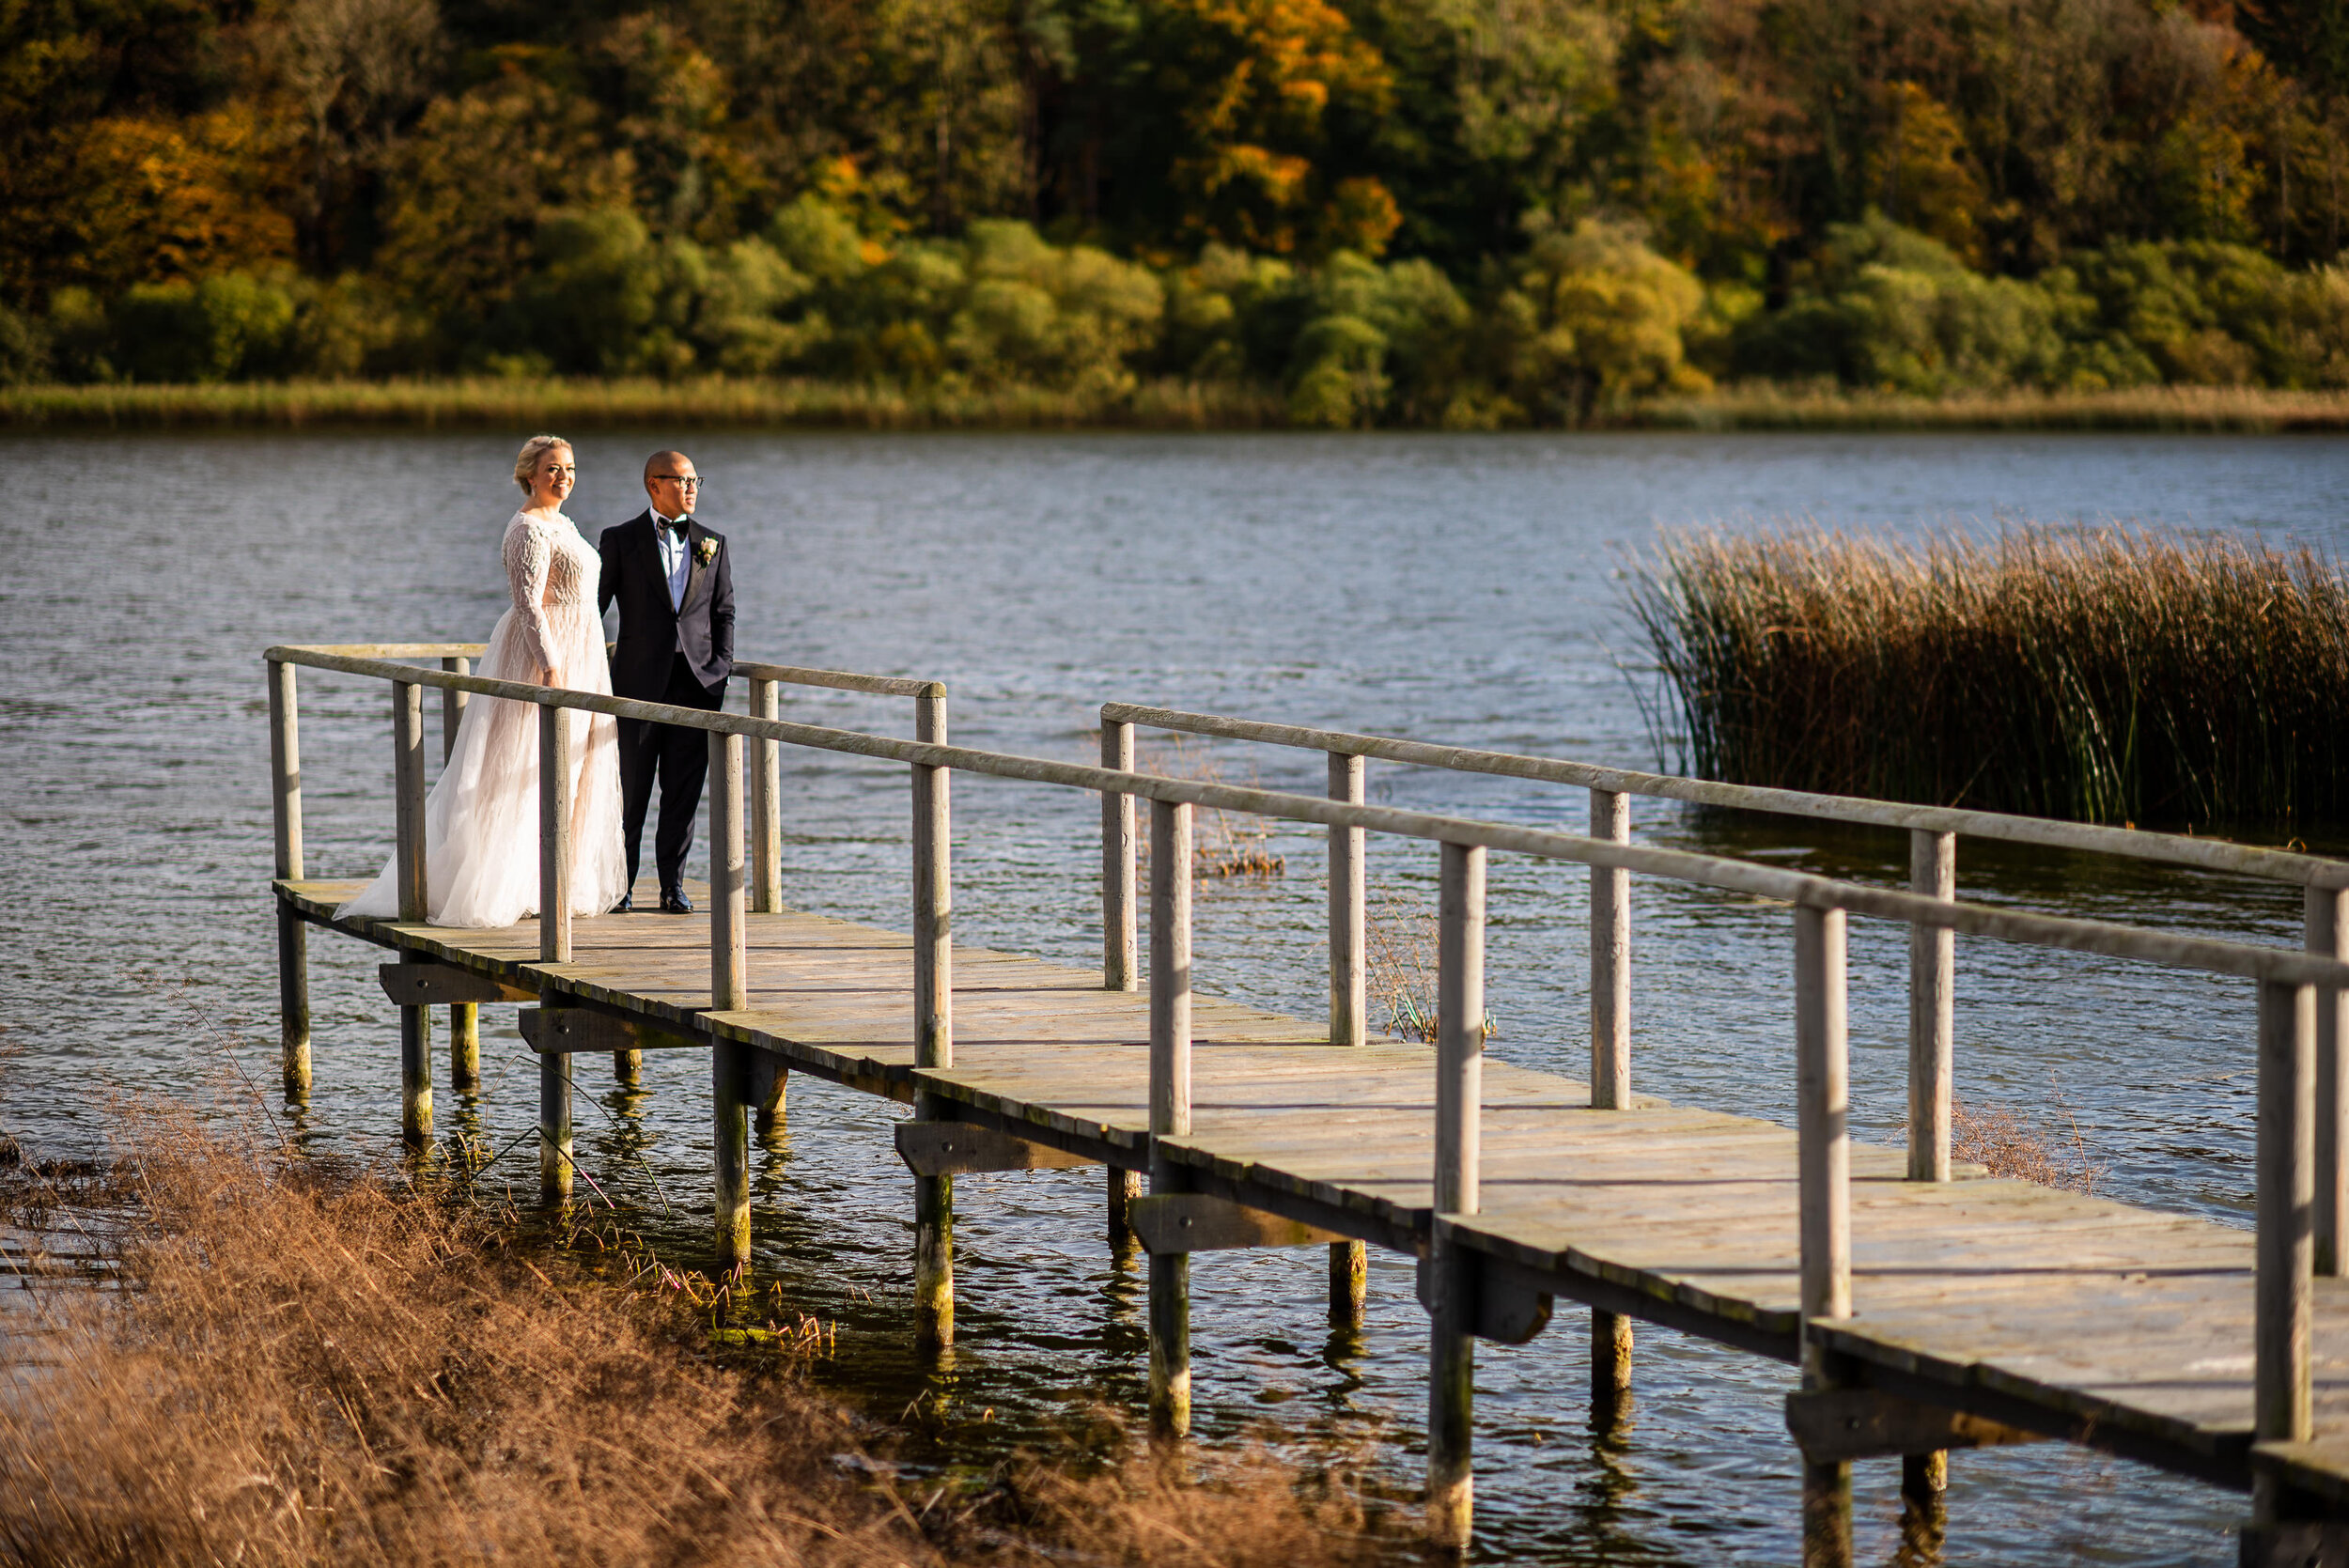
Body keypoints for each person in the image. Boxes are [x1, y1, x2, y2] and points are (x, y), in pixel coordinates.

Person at [339, 436, 627, 926]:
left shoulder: (564, 524)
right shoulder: (527, 529)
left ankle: (551, 881)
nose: (563, 477)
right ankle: (497, 884)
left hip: (583, 652)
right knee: (521, 764)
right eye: (553, 469)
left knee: (572, 770)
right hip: (543, 656)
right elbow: (529, 606)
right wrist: (551, 669)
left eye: (570, 468)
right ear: (529, 475)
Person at [599, 449, 734, 912]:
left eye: (696, 480)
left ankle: (673, 887)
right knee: (630, 793)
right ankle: (620, 887)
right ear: (654, 485)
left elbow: (723, 612)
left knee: (683, 792)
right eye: (682, 480)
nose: (692, 488)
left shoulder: (712, 541)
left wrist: (720, 670)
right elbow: (594, 609)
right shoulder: (619, 540)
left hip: (697, 686)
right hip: (637, 685)